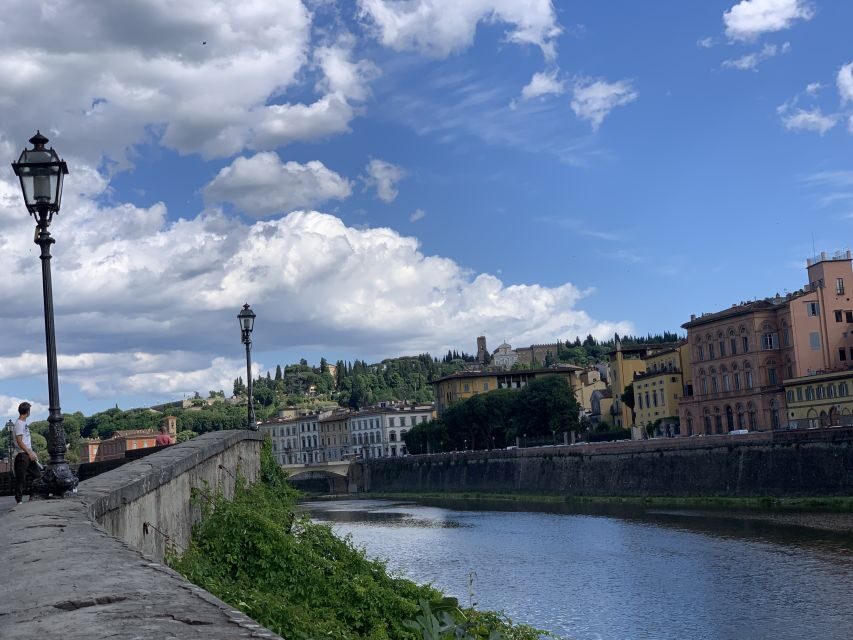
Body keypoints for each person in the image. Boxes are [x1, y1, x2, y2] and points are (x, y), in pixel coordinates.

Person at [12, 402, 41, 504]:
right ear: (27, 412)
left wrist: (32, 452)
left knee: (37, 475)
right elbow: (19, 441)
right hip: (22, 455)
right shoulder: (19, 423)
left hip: (28, 454)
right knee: (21, 478)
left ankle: (33, 495)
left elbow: (25, 441)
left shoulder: (23, 423)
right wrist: (29, 452)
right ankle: (19, 500)